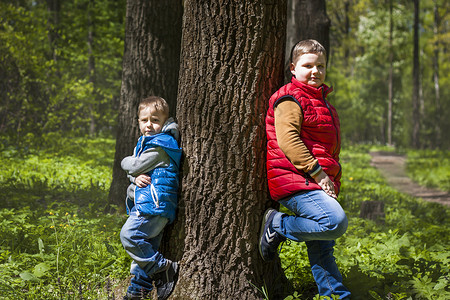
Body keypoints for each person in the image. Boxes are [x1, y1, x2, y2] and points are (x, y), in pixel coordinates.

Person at [259, 39, 351, 299]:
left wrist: (329, 177)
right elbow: (288, 140)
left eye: (320, 66)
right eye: (308, 65)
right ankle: (278, 224)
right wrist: (319, 173)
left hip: (316, 180)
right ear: (293, 68)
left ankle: (335, 295)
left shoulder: (323, 102)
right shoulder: (289, 97)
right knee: (334, 222)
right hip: (297, 179)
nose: (315, 71)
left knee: (323, 246)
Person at [120, 96, 182, 300]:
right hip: (151, 203)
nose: (149, 125)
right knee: (146, 247)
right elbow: (137, 171)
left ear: (165, 121)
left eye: (155, 120)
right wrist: (134, 176)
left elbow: (134, 165)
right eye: (144, 120)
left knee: (130, 236)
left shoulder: (161, 145)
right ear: (138, 121)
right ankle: (138, 290)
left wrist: (127, 163)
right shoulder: (147, 142)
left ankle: (164, 268)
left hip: (154, 206)